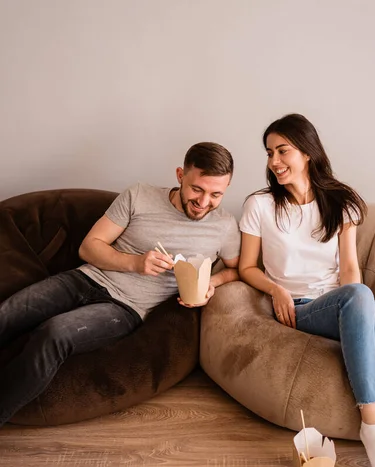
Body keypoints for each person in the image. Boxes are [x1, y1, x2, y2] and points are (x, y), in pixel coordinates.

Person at [0, 142, 240, 426]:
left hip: (125, 308)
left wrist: (211, 283)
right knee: (8, 313)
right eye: (197, 189)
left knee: (54, 334)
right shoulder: (139, 195)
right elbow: (89, 248)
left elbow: (237, 270)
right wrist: (136, 263)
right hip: (84, 278)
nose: (204, 202)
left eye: (216, 194)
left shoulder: (224, 227)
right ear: (180, 175)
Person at [239, 113, 375, 467]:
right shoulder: (260, 205)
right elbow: (247, 266)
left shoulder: (341, 202)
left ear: (307, 152)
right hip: (298, 308)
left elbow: (350, 271)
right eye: (269, 153)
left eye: (283, 150)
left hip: (342, 300)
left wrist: (367, 311)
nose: (273, 161)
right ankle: (372, 426)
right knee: (373, 308)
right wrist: (274, 288)